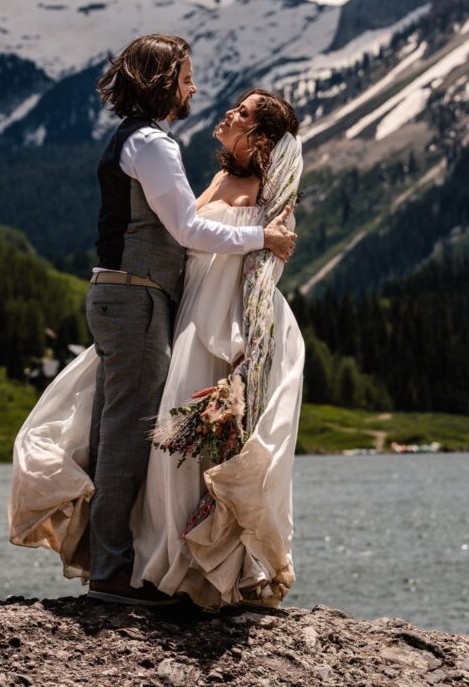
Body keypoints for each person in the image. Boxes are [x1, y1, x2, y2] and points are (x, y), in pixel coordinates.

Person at [9, 34, 296, 605]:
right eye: (186, 76)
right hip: (135, 298)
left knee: (109, 429)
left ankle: (108, 557)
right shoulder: (154, 145)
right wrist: (262, 235)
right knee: (124, 438)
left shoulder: (136, 140)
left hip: (130, 296)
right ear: (165, 81)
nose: (194, 88)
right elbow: (188, 232)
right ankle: (113, 571)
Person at [131, 88, 305, 609]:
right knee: (171, 445)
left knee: (215, 445)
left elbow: (268, 265)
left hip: (230, 326)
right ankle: (171, 564)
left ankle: (218, 569)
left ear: (261, 137)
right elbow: (189, 236)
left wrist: (242, 350)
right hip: (192, 314)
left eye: (244, 113)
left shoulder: (273, 193)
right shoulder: (220, 178)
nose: (230, 113)